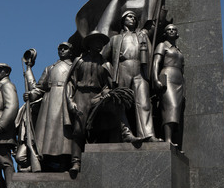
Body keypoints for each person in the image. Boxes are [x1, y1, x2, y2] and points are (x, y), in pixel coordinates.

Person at [102, 10, 160, 142]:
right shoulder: (115, 39)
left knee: (144, 102)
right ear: (123, 20)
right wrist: (110, 72)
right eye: (129, 16)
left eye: (134, 17)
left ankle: (147, 134)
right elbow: (103, 58)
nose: (132, 19)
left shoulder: (142, 36)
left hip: (140, 70)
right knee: (121, 102)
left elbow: (154, 26)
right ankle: (126, 133)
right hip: (123, 69)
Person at [20, 42, 74, 172]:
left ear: (71, 51)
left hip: (64, 99)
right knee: (45, 135)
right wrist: (31, 95)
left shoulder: (74, 67)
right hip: (48, 102)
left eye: (65, 48)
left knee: (63, 135)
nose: (61, 50)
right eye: (60, 48)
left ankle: (64, 162)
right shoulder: (49, 68)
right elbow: (39, 87)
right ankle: (45, 162)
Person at [66, 31, 112, 176]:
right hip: (81, 95)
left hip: (97, 96)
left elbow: (108, 83)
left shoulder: (104, 62)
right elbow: (71, 83)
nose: (99, 45)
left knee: (96, 129)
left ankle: (94, 161)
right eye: (96, 42)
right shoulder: (79, 61)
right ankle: (76, 161)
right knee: (78, 130)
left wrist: (105, 92)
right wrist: (70, 100)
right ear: (90, 44)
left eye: (101, 42)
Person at [152, 24, 185, 146]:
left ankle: (173, 139)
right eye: (168, 29)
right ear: (165, 33)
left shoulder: (178, 50)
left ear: (177, 33)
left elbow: (182, 70)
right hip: (167, 77)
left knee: (177, 110)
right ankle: (168, 140)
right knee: (171, 107)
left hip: (179, 80)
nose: (171, 31)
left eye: (174, 29)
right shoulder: (162, 46)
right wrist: (155, 79)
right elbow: (156, 63)